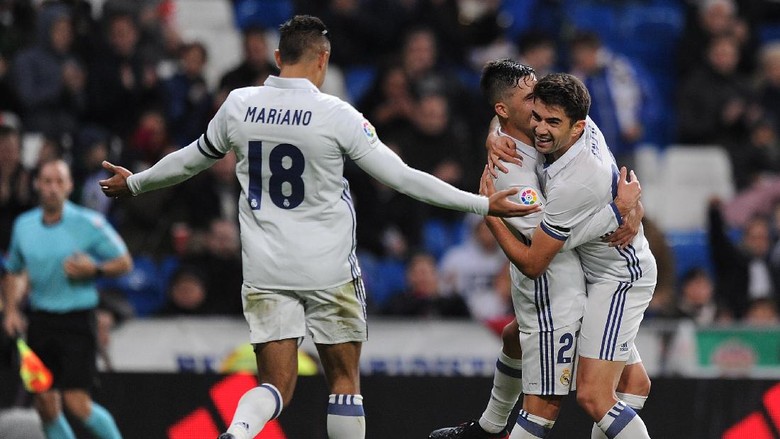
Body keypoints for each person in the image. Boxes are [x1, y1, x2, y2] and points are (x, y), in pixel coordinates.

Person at [97, 15, 535, 439]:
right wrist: (481, 204)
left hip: (267, 269)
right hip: (329, 269)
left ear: (276, 56)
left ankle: (238, 430)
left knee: (276, 385)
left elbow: (191, 158)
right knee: (344, 381)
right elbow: (402, 177)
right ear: (323, 60)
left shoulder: (239, 104)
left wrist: (135, 182)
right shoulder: (336, 114)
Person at [429, 61, 648, 439]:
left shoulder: (560, 142)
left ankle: (489, 429)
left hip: (600, 276)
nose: (538, 107)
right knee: (543, 382)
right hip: (553, 286)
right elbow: (538, 257)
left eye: (541, 99)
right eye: (530, 98)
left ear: (575, 123)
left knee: (589, 394)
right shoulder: (511, 169)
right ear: (505, 109)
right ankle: (489, 428)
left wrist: (626, 209)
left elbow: (563, 235)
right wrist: (490, 210)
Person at [1, 159, 132, 439]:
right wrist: (11, 310)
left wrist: (94, 269)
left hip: (77, 322)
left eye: (58, 181)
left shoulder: (87, 223)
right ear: (37, 185)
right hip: (40, 322)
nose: (52, 188)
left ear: (69, 186)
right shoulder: (24, 226)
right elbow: (13, 271)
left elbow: (124, 261)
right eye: (47, 181)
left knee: (77, 402)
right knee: (45, 403)